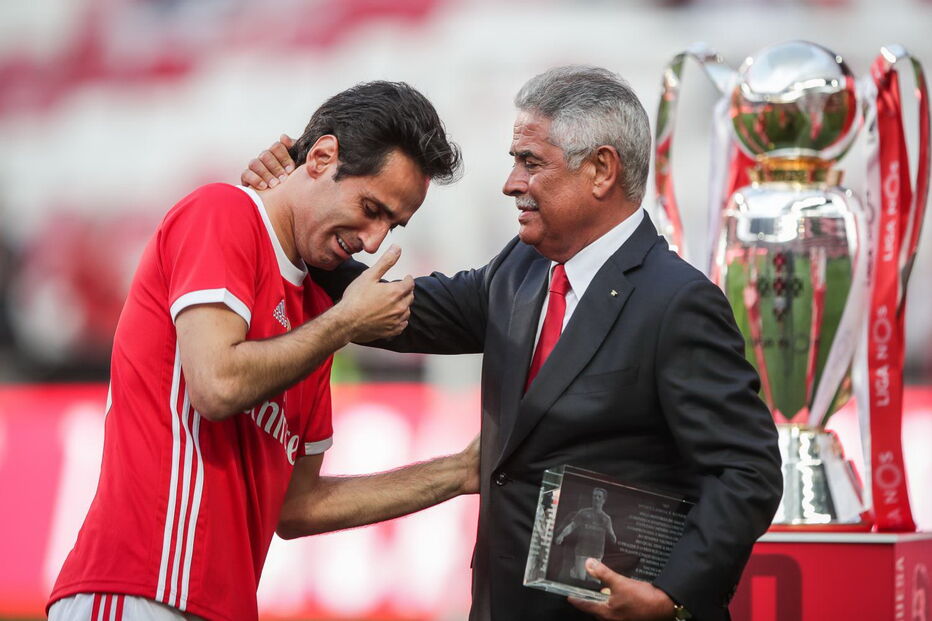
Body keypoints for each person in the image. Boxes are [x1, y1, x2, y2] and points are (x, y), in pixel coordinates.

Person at [244, 66, 783, 621]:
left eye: (530, 162)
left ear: (601, 170)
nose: (511, 183)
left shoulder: (677, 302)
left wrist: (673, 595)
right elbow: (396, 312)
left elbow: (748, 469)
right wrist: (290, 212)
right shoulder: (521, 269)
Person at [47, 81, 479, 621]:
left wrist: (458, 473)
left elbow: (298, 507)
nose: (373, 241)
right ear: (321, 157)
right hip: (142, 586)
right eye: (371, 208)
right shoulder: (224, 213)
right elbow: (216, 385)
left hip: (221, 606)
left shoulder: (317, 312)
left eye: (392, 224)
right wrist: (345, 323)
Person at [555, 488, 618, 584]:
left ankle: (576, 571)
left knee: (594, 581)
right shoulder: (583, 513)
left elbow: (611, 532)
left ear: (603, 500)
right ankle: (575, 571)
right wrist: (561, 535)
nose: (596, 498)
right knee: (580, 578)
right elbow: (572, 526)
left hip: (596, 554)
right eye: (594, 496)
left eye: (599, 496)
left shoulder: (606, 518)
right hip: (582, 552)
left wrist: (613, 537)